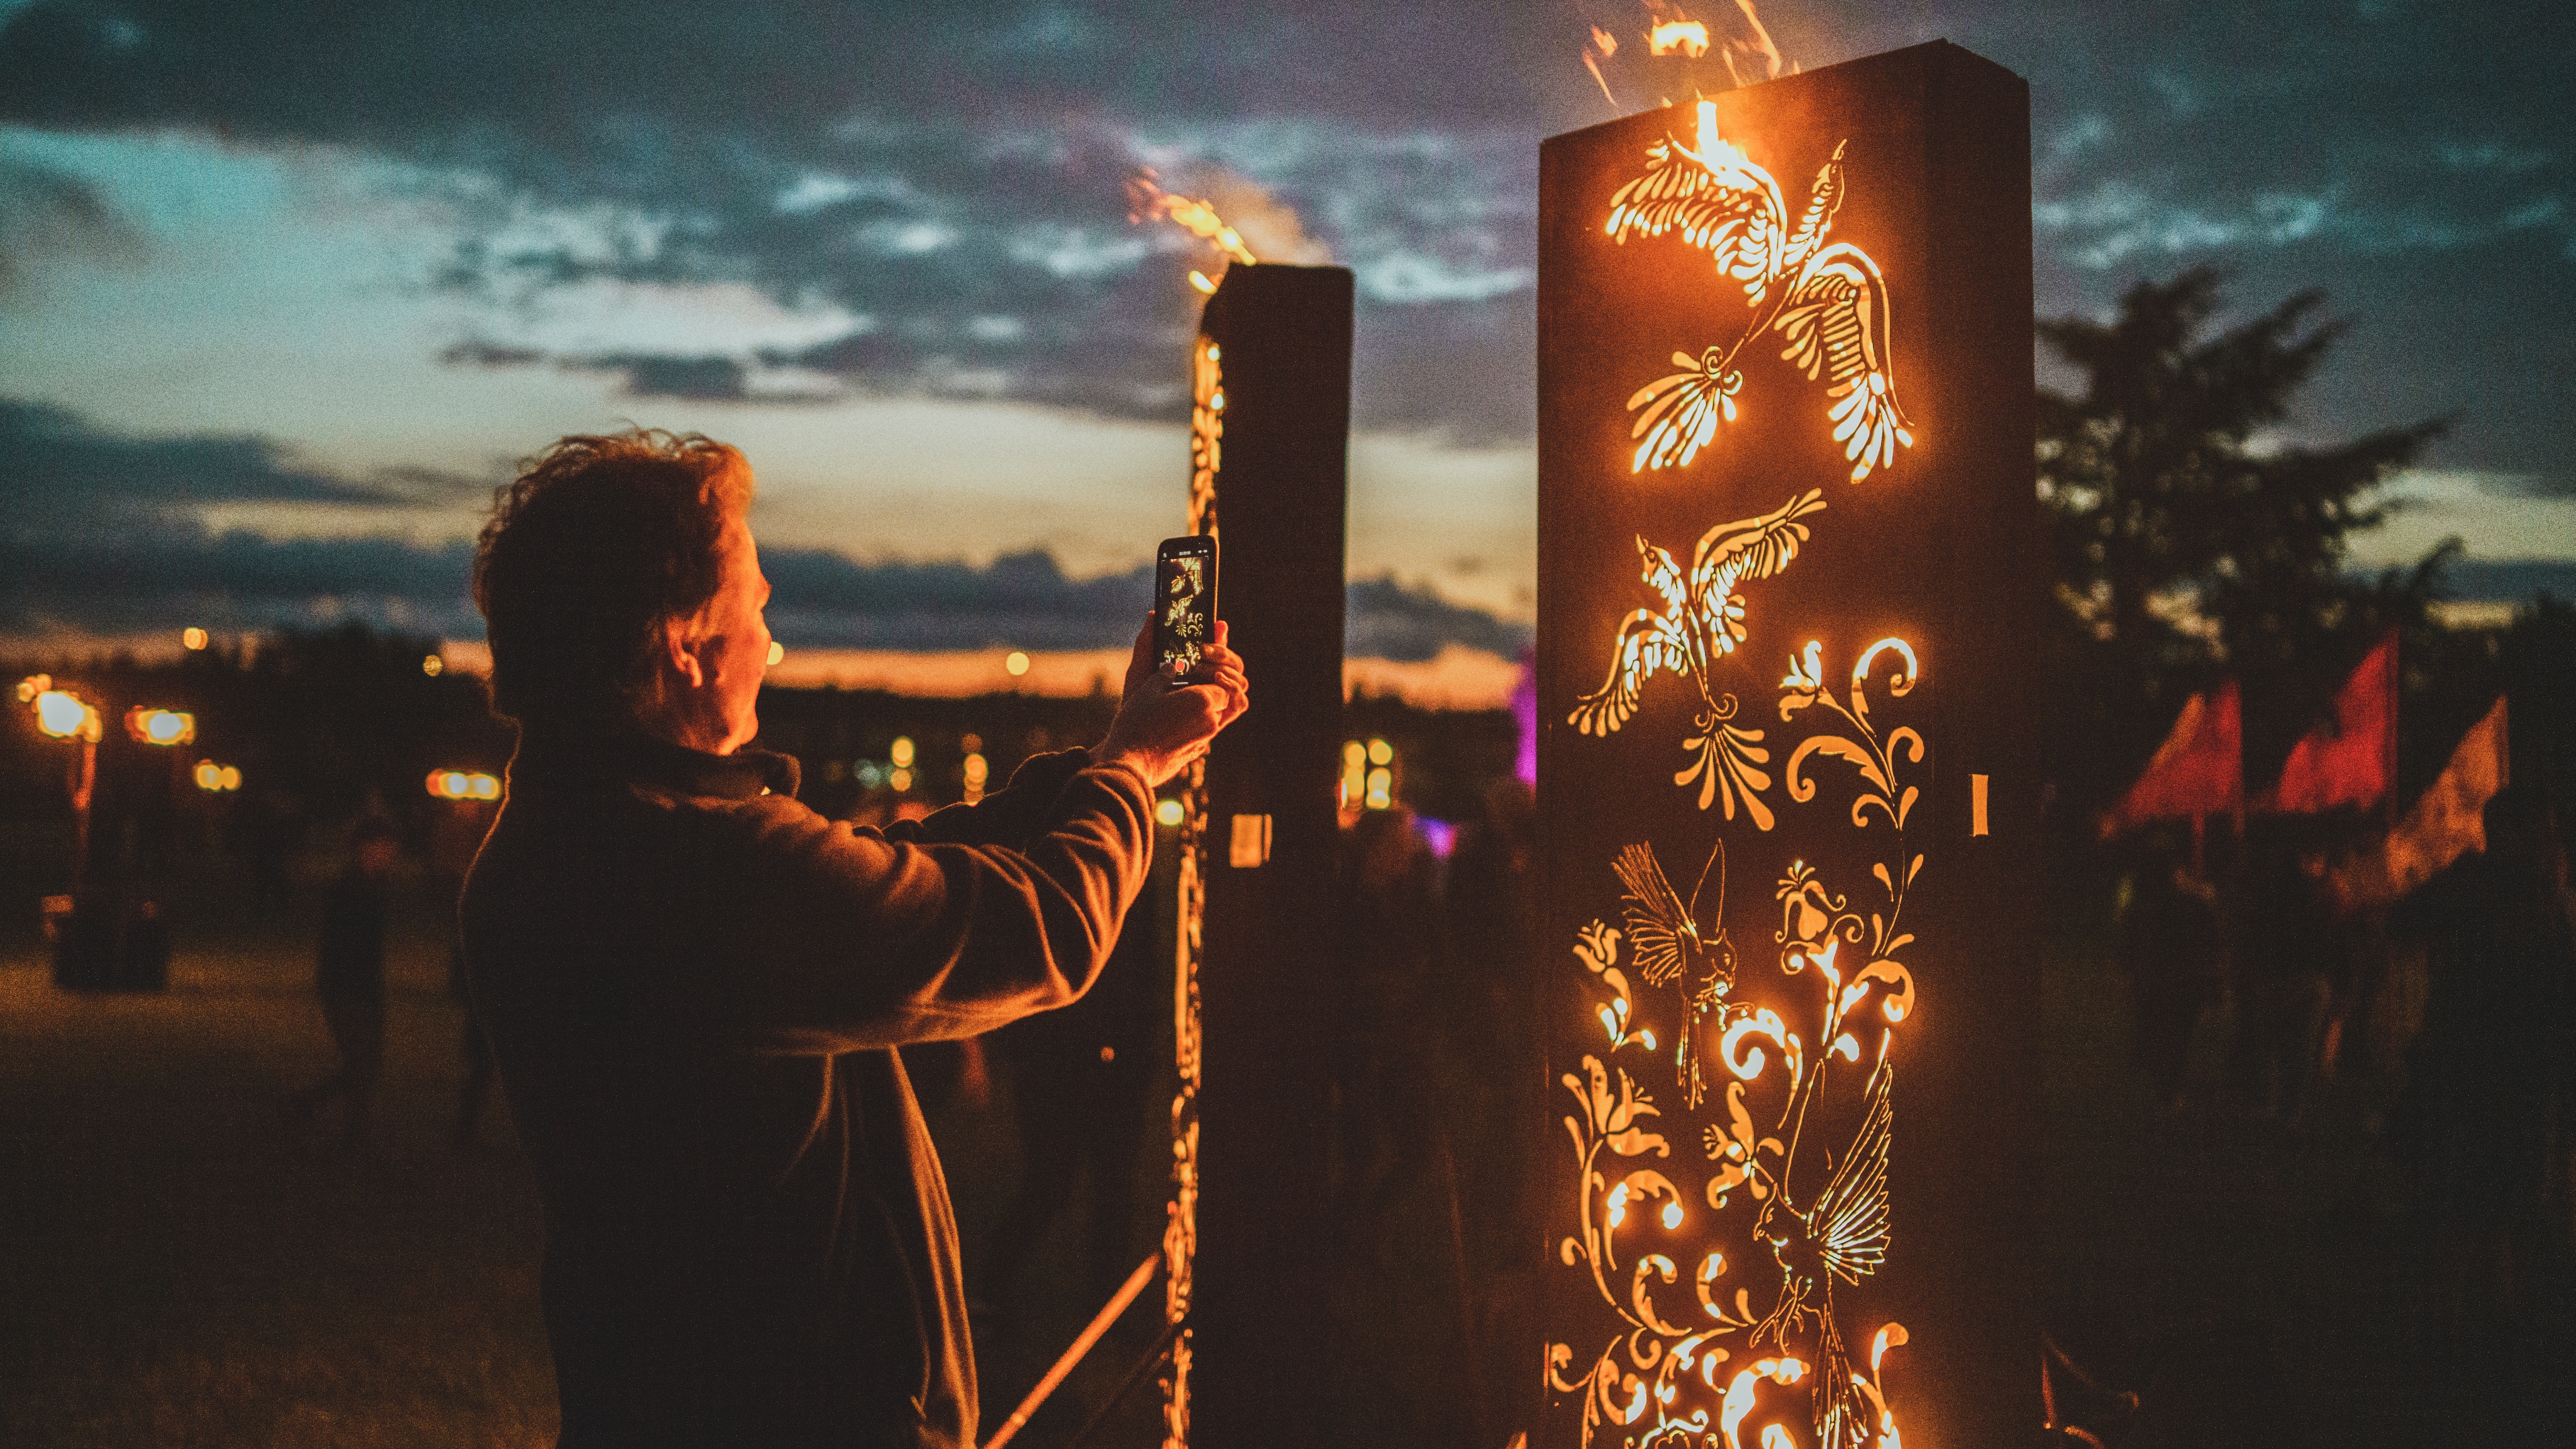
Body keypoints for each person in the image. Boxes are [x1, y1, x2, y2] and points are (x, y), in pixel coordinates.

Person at [458, 430, 1246, 1448]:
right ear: (688, 646)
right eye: (757, 610)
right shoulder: (695, 865)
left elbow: (882, 873)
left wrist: (1097, 765)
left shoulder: (573, 830)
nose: (771, 646)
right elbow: (1038, 929)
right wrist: (1132, 770)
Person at [288, 813, 400, 1147]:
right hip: (345, 986)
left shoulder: (371, 887)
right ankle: (314, 1107)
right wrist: (346, 984)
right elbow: (340, 944)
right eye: (384, 847)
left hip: (364, 985)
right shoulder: (350, 889)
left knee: (366, 1063)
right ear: (365, 848)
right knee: (361, 1061)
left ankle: (349, 1128)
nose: (390, 854)